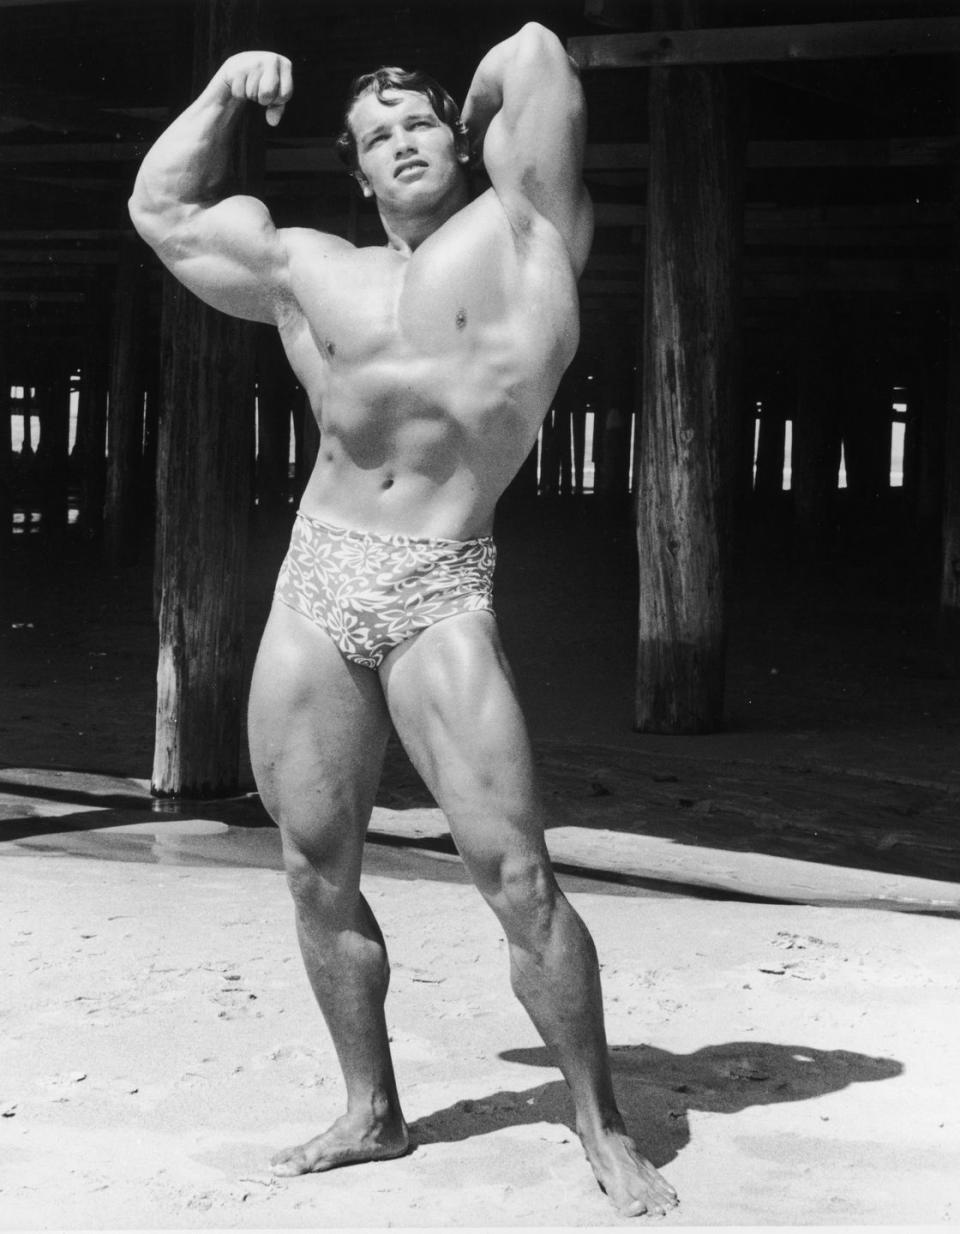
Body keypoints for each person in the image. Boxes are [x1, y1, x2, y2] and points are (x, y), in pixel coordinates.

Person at [128, 22, 678, 1219]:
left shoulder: (526, 232)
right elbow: (163, 210)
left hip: (439, 585)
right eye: (377, 135)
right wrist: (224, 87)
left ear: (463, 144)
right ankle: (372, 1110)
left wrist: (454, 90)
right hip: (317, 583)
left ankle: (601, 1120)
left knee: (518, 874)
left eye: (420, 122)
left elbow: (534, 53)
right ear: (360, 176)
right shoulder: (314, 270)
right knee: (315, 871)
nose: (402, 140)